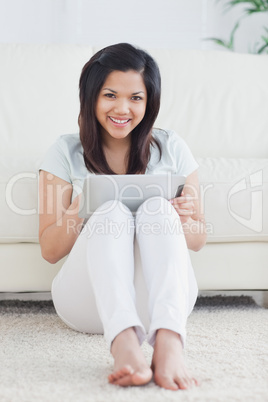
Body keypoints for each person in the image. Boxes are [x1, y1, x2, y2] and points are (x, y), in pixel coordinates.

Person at [39, 43, 207, 391]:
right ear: (91, 97)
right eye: (110, 95)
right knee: (110, 209)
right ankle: (124, 342)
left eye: (136, 98)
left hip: (163, 304)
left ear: (150, 102)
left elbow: (198, 240)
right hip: (88, 305)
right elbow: (50, 251)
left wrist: (185, 218)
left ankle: (169, 341)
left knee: (158, 208)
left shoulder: (171, 146)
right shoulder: (63, 151)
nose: (122, 108)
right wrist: (81, 206)